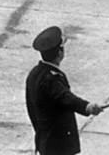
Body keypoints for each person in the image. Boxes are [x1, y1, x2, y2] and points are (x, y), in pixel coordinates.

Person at [25, 26, 103, 155]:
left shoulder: (34, 73)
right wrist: (87, 107)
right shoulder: (52, 78)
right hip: (59, 145)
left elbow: (31, 108)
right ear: (60, 53)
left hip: (44, 140)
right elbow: (65, 97)